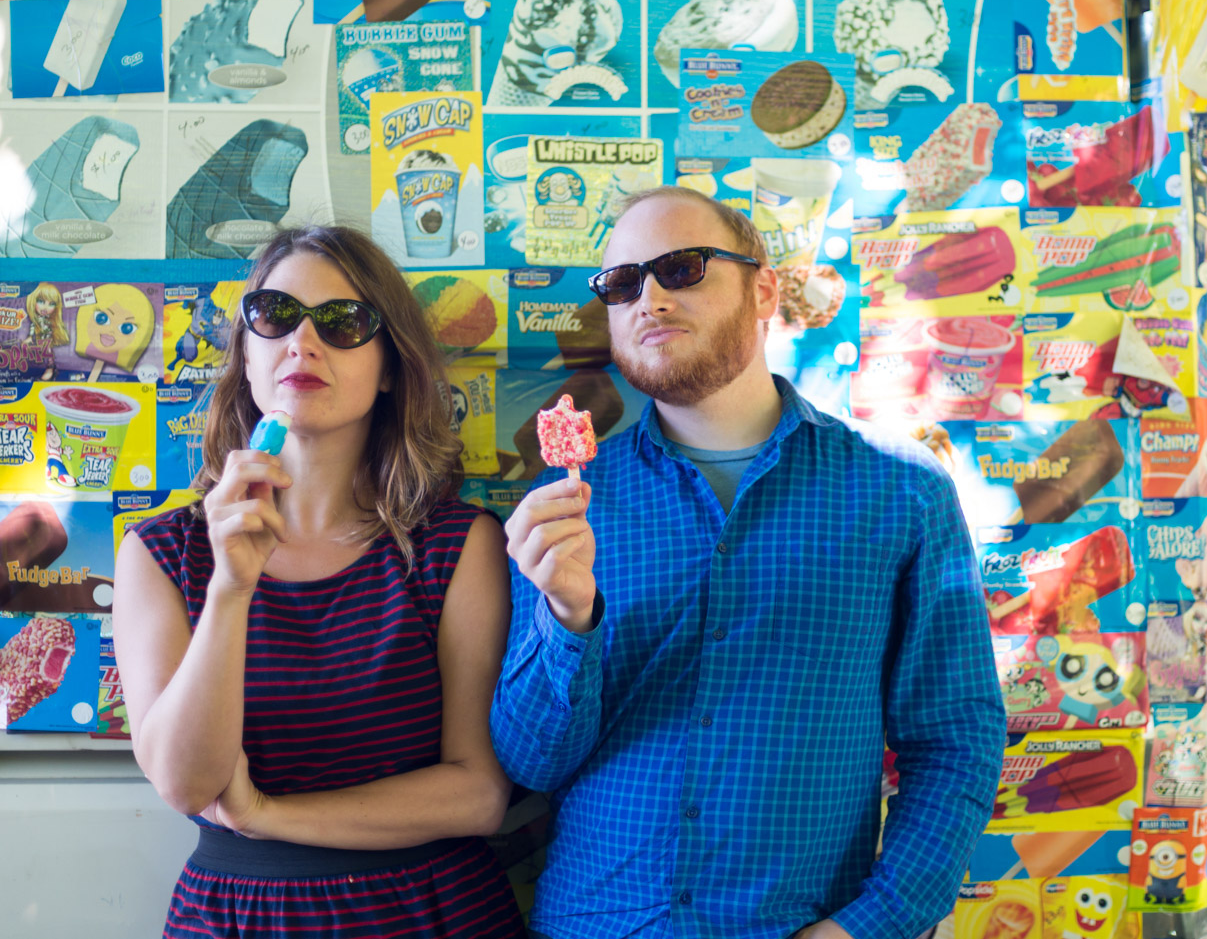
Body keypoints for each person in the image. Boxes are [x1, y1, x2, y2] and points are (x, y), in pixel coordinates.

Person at [491, 186, 1006, 939]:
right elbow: (532, 762)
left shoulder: (902, 489)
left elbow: (955, 739)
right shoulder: (562, 506)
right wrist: (569, 619)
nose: (651, 297)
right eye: (623, 283)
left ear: (763, 288)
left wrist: (868, 925)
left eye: (683, 267)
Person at [114, 225, 523, 939]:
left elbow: (479, 794)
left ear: (390, 366)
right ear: (246, 353)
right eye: (274, 314)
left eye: (343, 322)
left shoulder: (458, 547)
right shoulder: (160, 552)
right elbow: (184, 782)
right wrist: (230, 590)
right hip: (238, 916)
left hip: (432, 913)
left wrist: (268, 816)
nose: (303, 342)